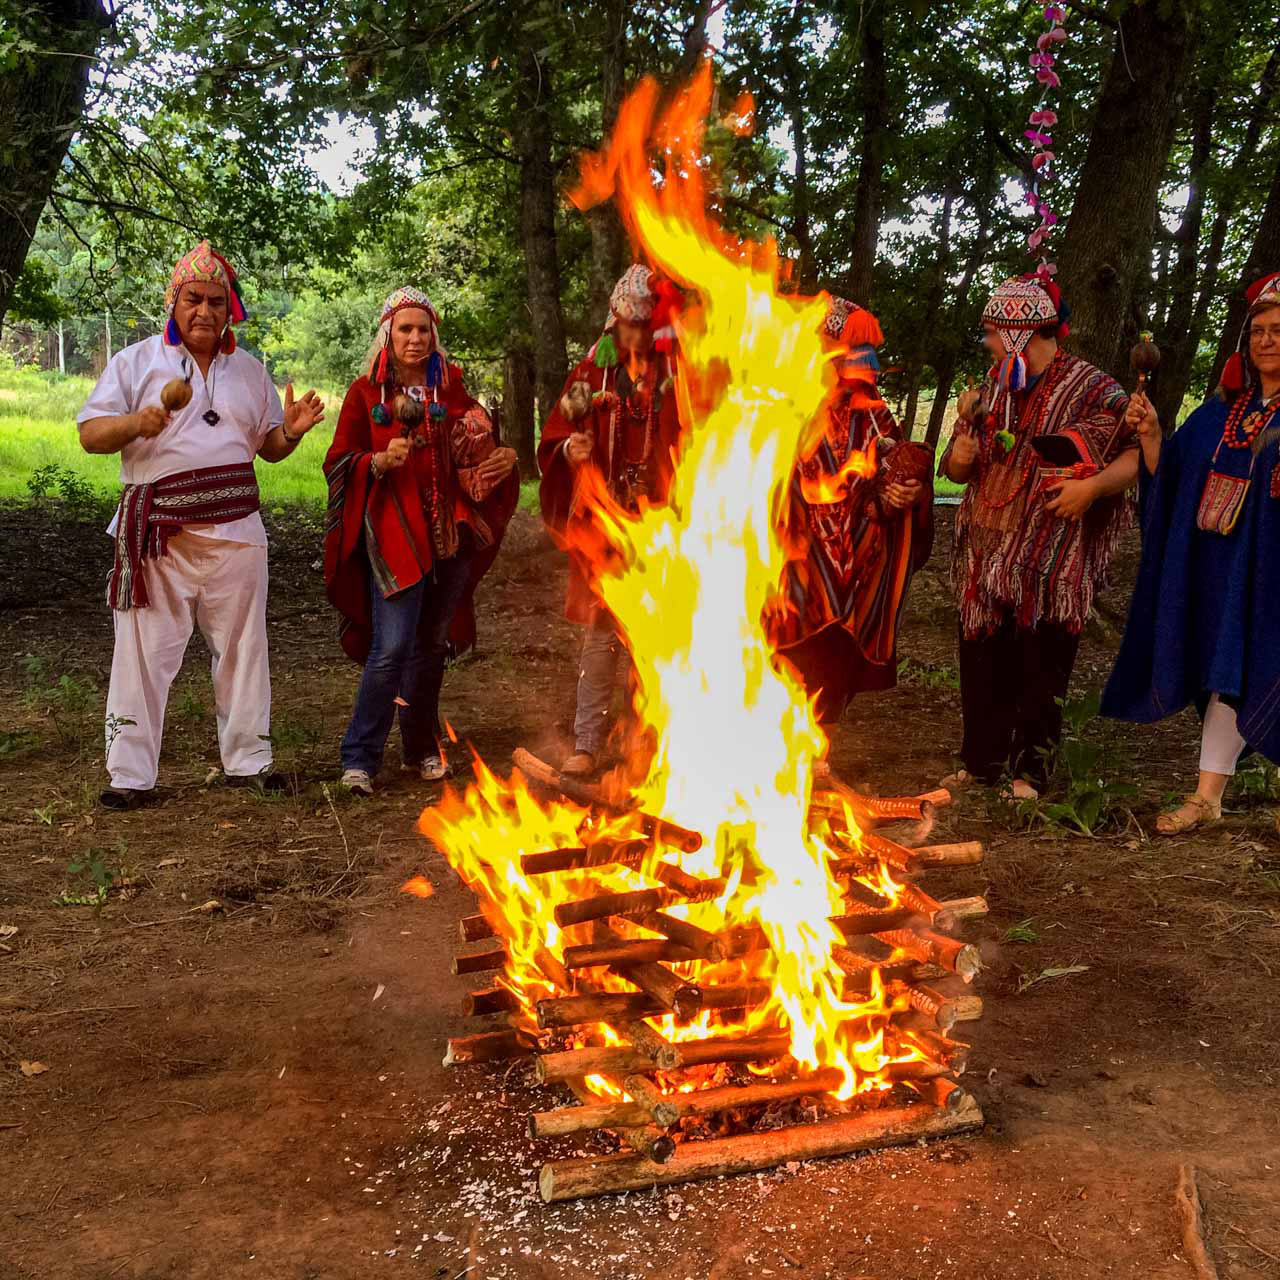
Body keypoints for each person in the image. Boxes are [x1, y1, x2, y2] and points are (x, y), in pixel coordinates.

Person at [77, 242, 325, 810]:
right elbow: (90, 435)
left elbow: (268, 448)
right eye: (194, 299)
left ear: (231, 307)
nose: (205, 312)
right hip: (157, 535)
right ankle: (130, 776)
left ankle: (250, 762)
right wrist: (136, 422)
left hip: (237, 534)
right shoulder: (136, 363)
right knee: (142, 652)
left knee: (243, 647)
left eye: (217, 301)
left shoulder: (249, 370)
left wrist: (291, 431)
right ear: (174, 301)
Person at [938, 271, 1138, 798]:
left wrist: (1092, 488)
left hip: (1050, 554)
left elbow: (1134, 453)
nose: (987, 343)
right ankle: (979, 761)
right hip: (987, 547)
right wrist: (960, 455)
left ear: (1022, 333)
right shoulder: (990, 387)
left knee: (1041, 659)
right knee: (981, 653)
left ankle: (1030, 771)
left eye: (993, 332)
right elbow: (956, 471)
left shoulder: (1095, 388)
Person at [1102, 271, 1280, 833]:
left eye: (1278, 330)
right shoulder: (1220, 411)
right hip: (1226, 571)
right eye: (1257, 332)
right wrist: (1153, 435)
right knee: (1228, 665)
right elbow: (1173, 480)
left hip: (1273, 572)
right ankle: (1208, 796)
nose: (1266, 341)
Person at [323, 287, 518, 795]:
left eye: (423, 329)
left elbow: (481, 448)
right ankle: (360, 757)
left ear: (434, 336)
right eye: (405, 328)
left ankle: (420, 746)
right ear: (387, 332)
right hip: (394, 541)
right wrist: (376, 462)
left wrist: (503, 460)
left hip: (449, 540)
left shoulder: (451, 391)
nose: (415, 338)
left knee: (430, 647)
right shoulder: (365, 394)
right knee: (390, 649)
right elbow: (338, 460)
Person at [537, 264, 682, 777]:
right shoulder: (590, 374)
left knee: (656, 638)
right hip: (603, 525)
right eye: (625, 323)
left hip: (664, 528)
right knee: (601, 635)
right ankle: (588, 742)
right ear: (613, 320)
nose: (633, 333)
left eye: (643, 324)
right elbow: (555, 435)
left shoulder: (678, 377)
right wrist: (571, 451)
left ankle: (646, 746)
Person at [771, 297, 934, 724]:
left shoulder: (873, 412)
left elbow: (895, 466)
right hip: (795, 559)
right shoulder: (781, 409)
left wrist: (900, 492)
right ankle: (777, 739)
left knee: (838, 654)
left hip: (858, 562)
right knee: (789, 647)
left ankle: (818, 742)